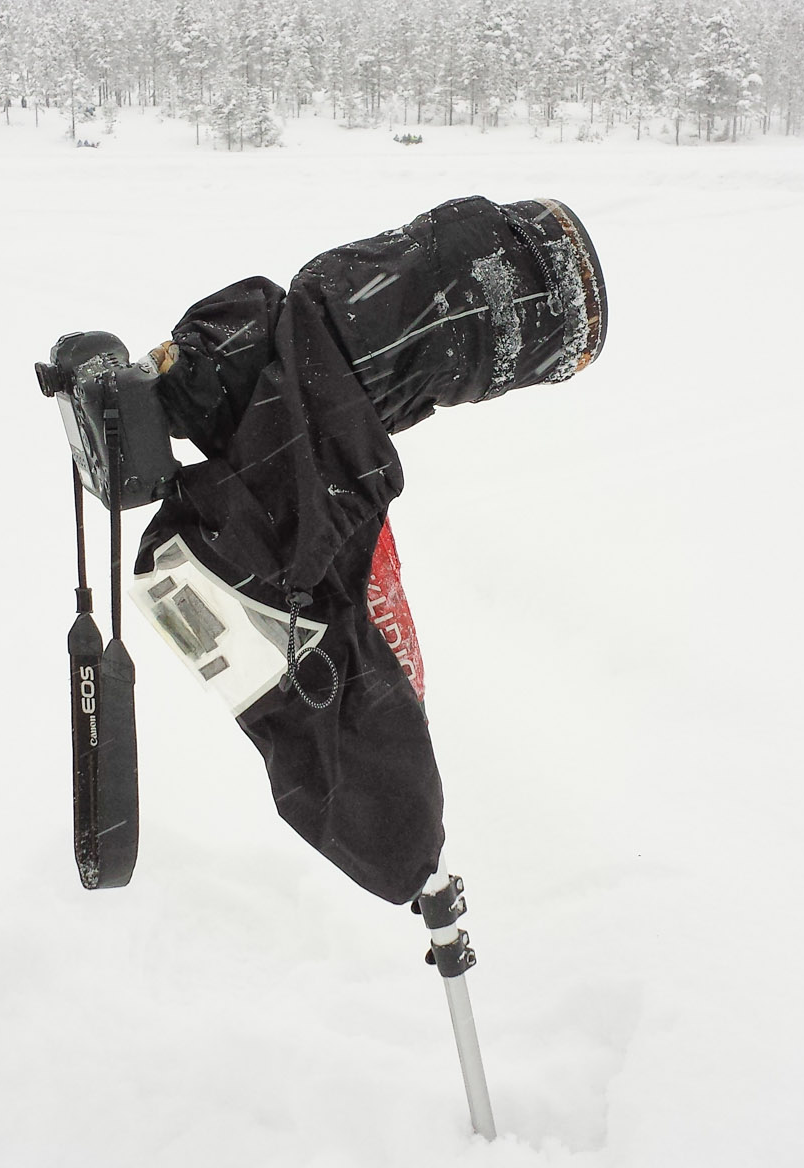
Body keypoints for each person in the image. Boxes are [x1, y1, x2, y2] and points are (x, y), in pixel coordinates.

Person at [132, 197, 606, 903]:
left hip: (289, 482)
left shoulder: (298, 398)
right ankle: (534, 276)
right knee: (315, 353)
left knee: (313, 354)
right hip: (287, 517)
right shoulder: (298, 416)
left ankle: (533, 276)